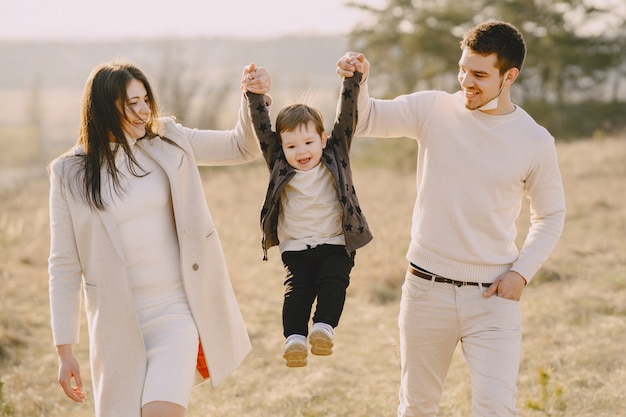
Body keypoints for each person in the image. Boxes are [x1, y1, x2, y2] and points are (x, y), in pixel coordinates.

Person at [337, 21, 566, 417]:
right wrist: (357, 81)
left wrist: (522, 272)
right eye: (463, 69)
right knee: (418, 408)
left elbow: (551, 214)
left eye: (479, 74)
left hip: (493, 298)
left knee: (496, 409)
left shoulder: (534, 140)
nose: (466, 81)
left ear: (509, 76)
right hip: (426, 292)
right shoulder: (433, 109)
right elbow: (367, 118)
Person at [47, 60, 270, 417]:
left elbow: (241, 147)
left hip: (175, 313)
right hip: (116, 327)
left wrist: (252, 99)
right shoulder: (69, 173)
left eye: (145, 99)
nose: (143, 111)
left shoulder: (168, 138)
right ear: (104, 108)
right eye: (130, 104)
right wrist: (64, 349)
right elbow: (63, 266)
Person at [242, 69, 372, 367]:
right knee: (297, 289)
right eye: (291, 146)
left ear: (323, 139)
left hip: (337, 241)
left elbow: (347, 116)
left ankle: (323, 329)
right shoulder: (277, 160)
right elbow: (262, 127)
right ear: (281, 146)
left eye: (308, 143)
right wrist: (254, 95)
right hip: (296, 246)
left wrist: (351, 80)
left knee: (333, 282)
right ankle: (294, 339)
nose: (301, 151)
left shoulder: (336, 153)